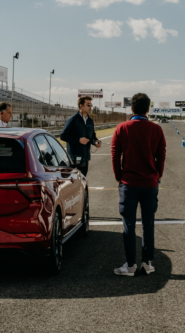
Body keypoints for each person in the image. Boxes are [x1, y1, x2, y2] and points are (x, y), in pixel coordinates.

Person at [112, 93, 166, 277]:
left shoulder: (121, 128)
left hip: (128, 183)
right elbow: (162, 155)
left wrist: (118, 176)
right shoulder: (156, 129)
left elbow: (114, 155)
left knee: (129, 224)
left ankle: (130, 265)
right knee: (148, 223)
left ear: (131, 109)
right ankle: (147, 263)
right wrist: (158, 176)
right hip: (150, 183)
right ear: (148, 109)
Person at [60, 96, 101, 176]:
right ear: (81, 106)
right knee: (76, 182)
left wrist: (96, 142)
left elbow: (92, 136)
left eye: (91, 105)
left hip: (85, 157)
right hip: (74, 158)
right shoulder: (73, 120)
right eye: (88, 105)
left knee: (83, 180)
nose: (91, 107)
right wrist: (78, 140)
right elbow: (63, 136)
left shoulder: (90, 121)